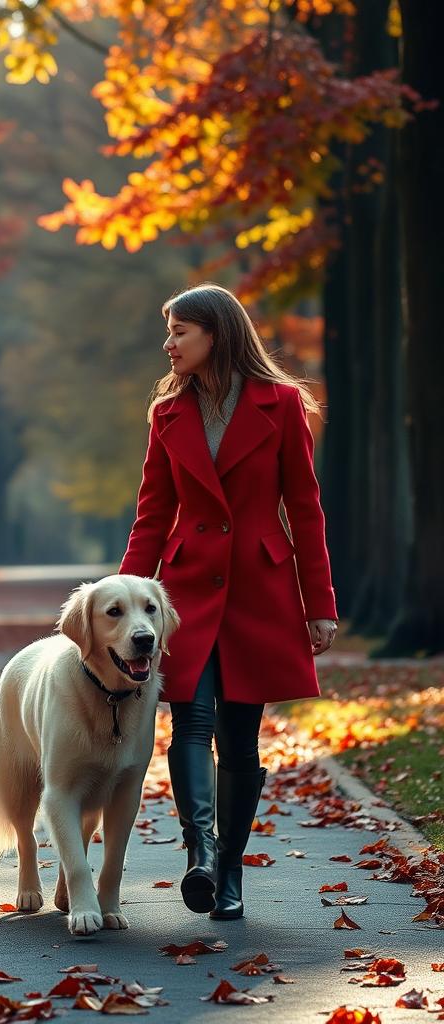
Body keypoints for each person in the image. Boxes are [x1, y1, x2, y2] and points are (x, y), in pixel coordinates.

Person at [118, 282, 338, 921]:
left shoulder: (284, 404)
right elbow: (152, 515)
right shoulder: (167, 413)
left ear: (215, 332)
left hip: (260, 588)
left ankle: (231, 873)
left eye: (180, 331)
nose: (169, 344)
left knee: (241, 739)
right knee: (189, 720)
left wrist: (318, 603)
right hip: (184, 589)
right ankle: (202, 854)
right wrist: (126, 604)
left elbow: (305, 507)